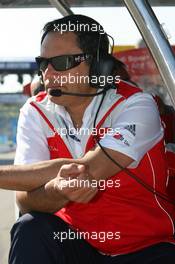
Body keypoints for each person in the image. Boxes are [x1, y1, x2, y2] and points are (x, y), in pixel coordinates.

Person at [7, 14, 175, 264]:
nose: (48, 74)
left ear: (98, 66)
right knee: (31, 226)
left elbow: (87, 170)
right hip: (78, 245)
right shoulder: (35, 110)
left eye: (61, 62)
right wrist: (55, 189)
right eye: (43, 64)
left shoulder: (136, 104)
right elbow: (23, 199)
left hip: (146, 248)